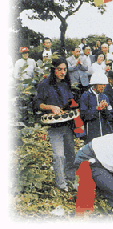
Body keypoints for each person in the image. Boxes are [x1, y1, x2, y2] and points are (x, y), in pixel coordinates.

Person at [33, 57, 77, 191]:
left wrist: (70, 106)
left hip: (67, 124)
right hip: (54, 127)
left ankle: (71, 179)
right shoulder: (44, 85)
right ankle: (61, 184)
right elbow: (36, 104)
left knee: (71, 154)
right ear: (53, 70)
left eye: (65, 69)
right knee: (59, 155)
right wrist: (51, 107)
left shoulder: (65, 84)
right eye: (59, 69)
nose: (62, 72)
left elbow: (70, 101)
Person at [79, 71, 113, 145]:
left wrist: (105, 109)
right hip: (91, 133)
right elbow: (83, 116)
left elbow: (110, 117)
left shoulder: (104, 96)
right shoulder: (85, 96)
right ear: (94, 85)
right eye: (101, 84)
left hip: (104, 132)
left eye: (104, 85)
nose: (103, 86)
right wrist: (97, 108)